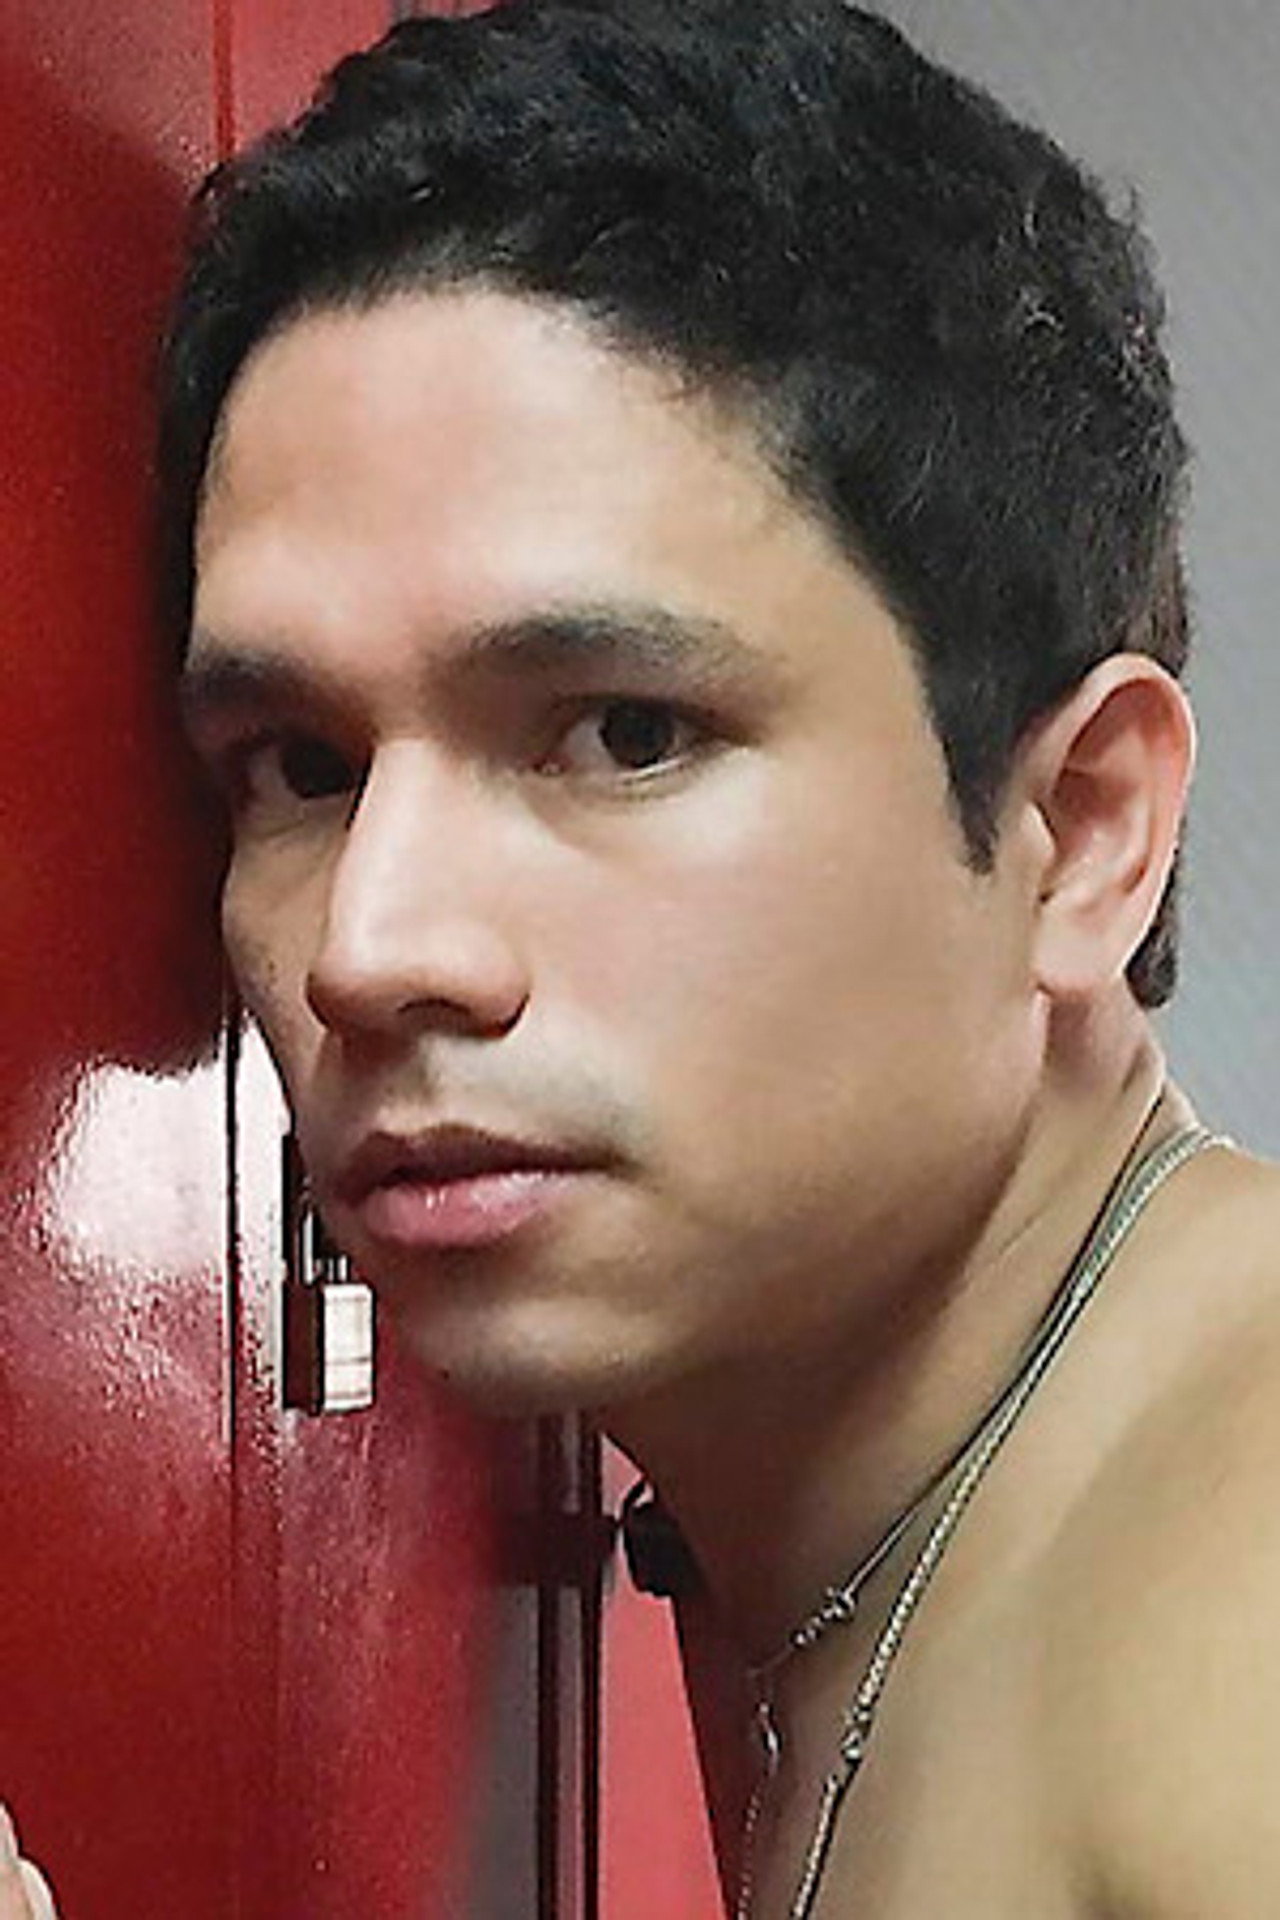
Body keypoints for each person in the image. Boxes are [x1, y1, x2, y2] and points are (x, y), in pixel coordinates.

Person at [8, 2, 1280, 1914]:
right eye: (302, 766)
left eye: (622, 732)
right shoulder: (902, 1513)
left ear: (1080, 829)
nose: (370, 948)